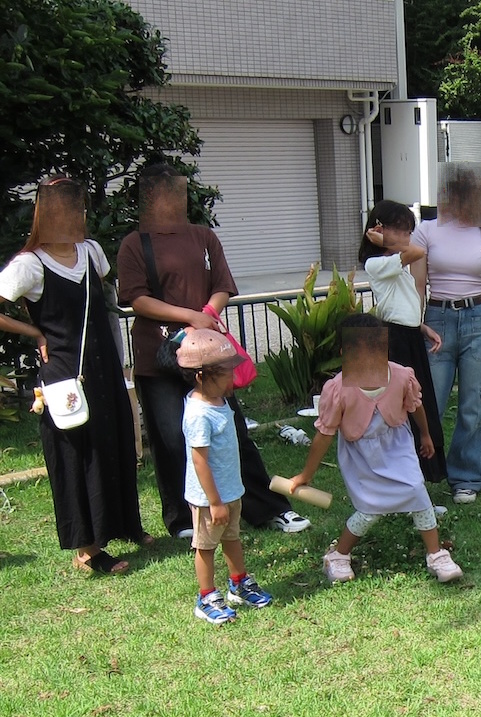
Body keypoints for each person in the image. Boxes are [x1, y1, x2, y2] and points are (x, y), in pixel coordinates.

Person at [116, 163, 309, 538]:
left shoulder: (203, 237)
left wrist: (205, 315)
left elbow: (222, 285)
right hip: (159, 355)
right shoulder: (134, 244)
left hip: (210, 353)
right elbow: (137, 299)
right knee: (172, 440)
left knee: (232, 432)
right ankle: (182, 518)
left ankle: (269, 508)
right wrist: (189, 317)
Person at [0, 176, 150, 572]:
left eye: (80, 209)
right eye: (71, 210)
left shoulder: (91, 252)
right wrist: (35, 332)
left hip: (102, 368)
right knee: (76, 453)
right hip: (65, 372)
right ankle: (88, 549)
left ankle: (126, 525)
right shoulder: (29, 265)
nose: (78, 217)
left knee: (114, 442)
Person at [288, 314, 463, 584]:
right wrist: (305, 475)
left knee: (417, 492)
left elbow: (415, 406)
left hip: (397, 445)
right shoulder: (337, 389)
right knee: (370, 508)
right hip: (361, 454)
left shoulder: (401, 376)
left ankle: (436, 554)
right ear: (346, 354)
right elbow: (324, 434)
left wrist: (426, 435)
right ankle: (338, 555)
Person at [412, 163, 481, 505]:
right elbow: (418, 285)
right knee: (429, 401)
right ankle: (417, 475)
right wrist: (416, 324)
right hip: (437, 320)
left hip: (480, 321)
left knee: (476, 402)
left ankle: (466, 477)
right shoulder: (426, 231)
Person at [177, 328, 272, 624]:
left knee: (232, 538)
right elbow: (200, 461)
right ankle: (206, 597)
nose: (232, 378)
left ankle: (238, 582)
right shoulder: (198, 414)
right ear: (201, 376)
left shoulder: (220, 401)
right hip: (209, 498)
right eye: (226, 374)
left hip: (230, 490)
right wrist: (215, 502)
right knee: (206, 547)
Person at [359, 200, 447, 484]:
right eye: (401, 230)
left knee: (420, 402)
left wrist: (421, 327)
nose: (407, 237)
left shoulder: (395, 263)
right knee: (401, 406)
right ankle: (400, 473)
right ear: (380, 229)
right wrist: (386, 241)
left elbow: (397, 303)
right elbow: (418, 252)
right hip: (394, 340)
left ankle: (421, 474)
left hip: (408, 335)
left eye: (409, 231)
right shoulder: (376, 263)